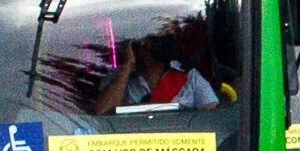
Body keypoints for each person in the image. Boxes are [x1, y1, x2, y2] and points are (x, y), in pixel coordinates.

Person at [88, 19, 225, 115]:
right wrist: (127, 65)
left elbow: (212, 115)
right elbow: (101, 112)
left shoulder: (189, 76)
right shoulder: (118, 77)